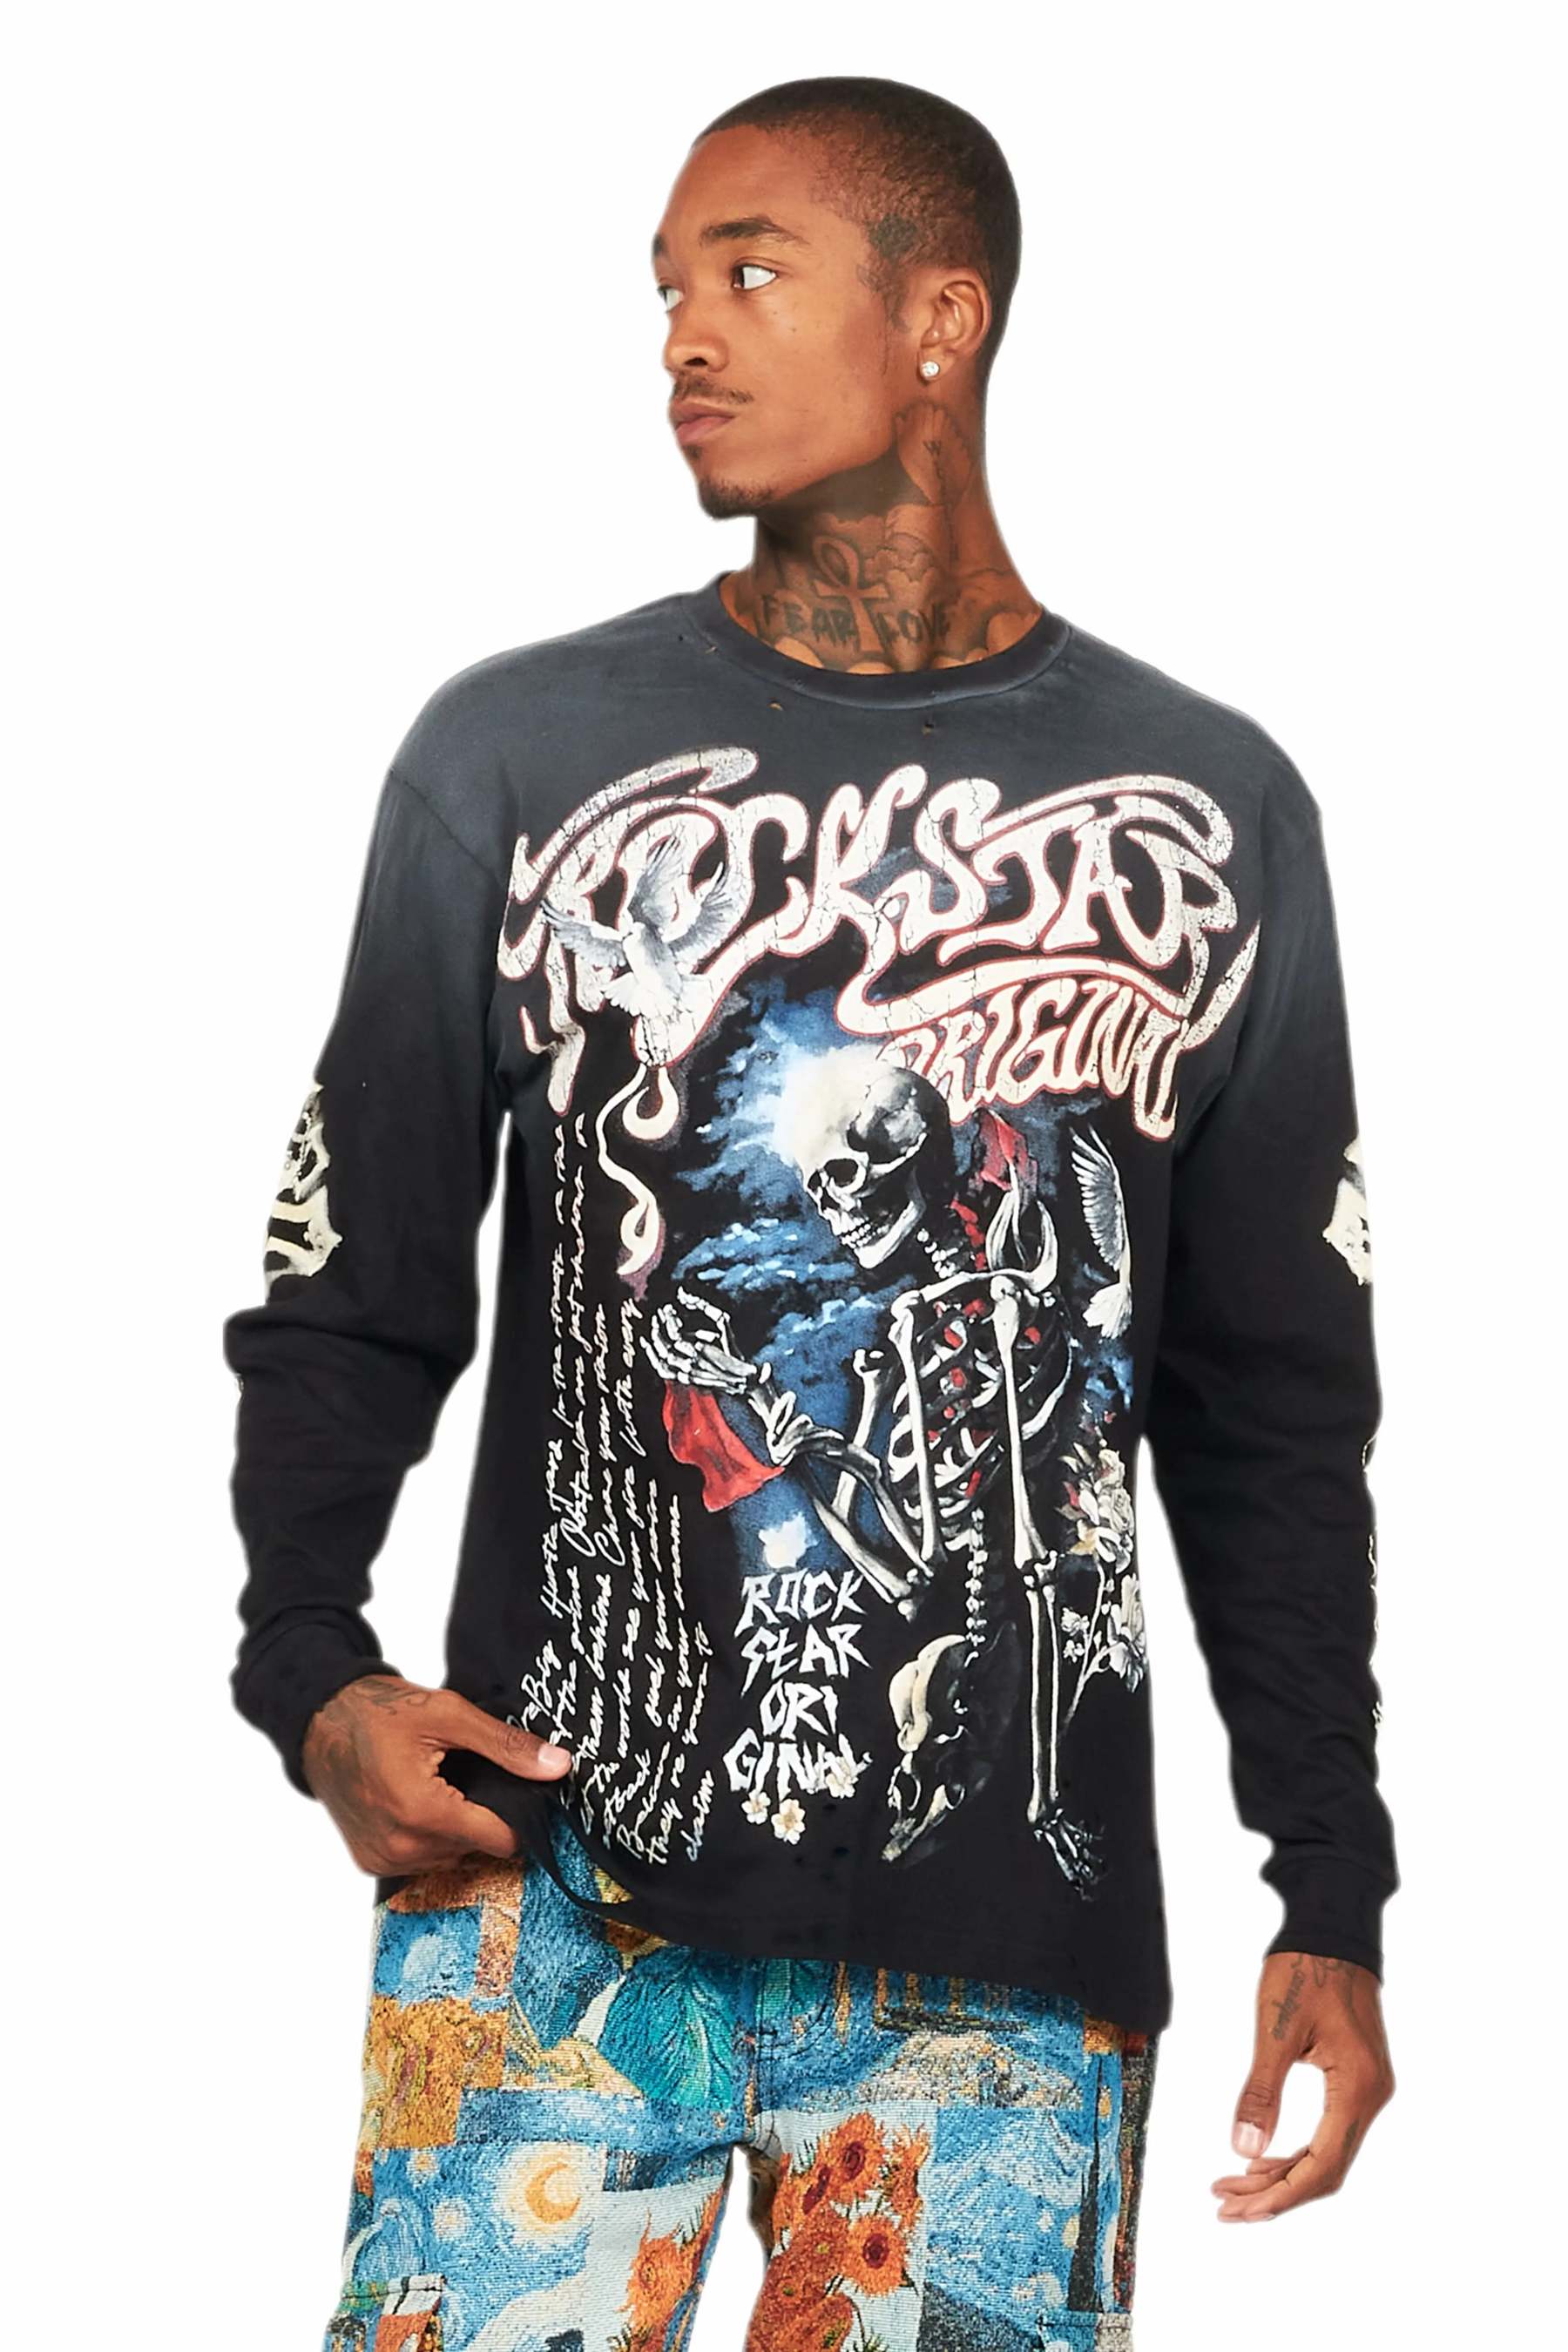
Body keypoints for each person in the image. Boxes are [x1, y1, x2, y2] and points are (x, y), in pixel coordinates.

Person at [221, 74, 1398, 2349]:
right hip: (547, 1898)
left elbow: (1272, 1408)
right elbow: (349, 1283)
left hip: (1007, 1958)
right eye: (667, 286)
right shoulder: (514, 758)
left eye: (750, 272)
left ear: (941, 318)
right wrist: (311, 1674)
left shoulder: (1205, 806)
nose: (686, 334)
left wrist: (1329, 1885)